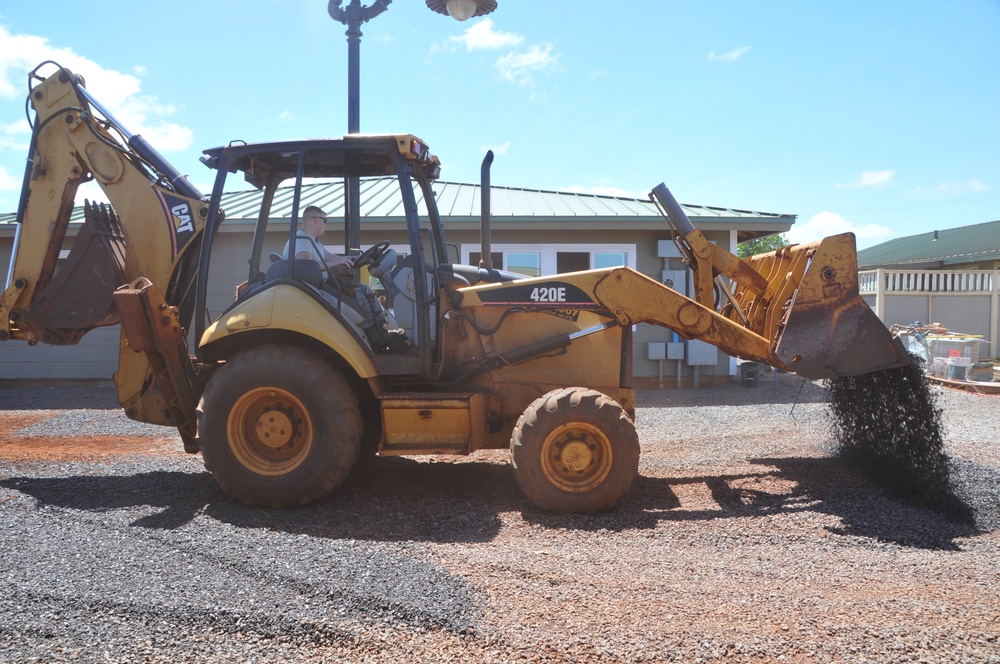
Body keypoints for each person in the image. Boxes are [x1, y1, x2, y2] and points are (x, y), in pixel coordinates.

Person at [283, 206, 408, 353]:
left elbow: (336, 259)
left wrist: (358, 259)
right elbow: (304, 266)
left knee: (363, 289)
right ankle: (374, 336)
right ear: (316, 219)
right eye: (325, 221)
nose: (326, 225)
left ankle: (379, 331)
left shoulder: (314, 242)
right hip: (312, 290)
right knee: (358, 292)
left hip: (319, 288)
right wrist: (337, 263)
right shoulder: (301, 240)